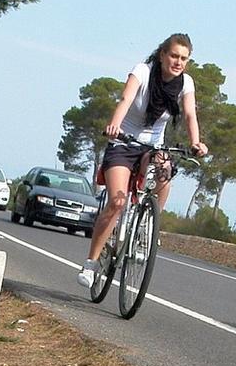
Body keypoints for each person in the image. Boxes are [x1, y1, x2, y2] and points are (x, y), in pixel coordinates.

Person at [76, 34, 209, 288]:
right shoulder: (143, 72)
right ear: (162, 55)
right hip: (124, 142)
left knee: (165, 173)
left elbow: (190, 113)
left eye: (184, 58)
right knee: (117, 201)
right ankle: (91, 263)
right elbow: (125, 99)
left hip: (153, 145)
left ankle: (147, 229)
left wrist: (196, 142)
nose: (178, 62)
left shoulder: (185, 83)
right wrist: (114, 125)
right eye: (174, 56)